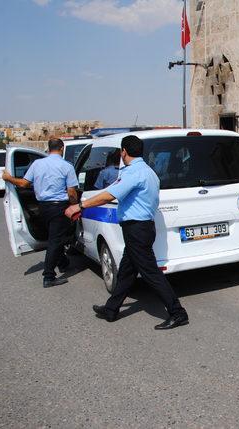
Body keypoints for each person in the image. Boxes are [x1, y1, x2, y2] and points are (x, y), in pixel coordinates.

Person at [65, 135, 189, 330]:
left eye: (121, 152)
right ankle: (111, 309)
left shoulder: (133, 173)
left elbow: (109, 195)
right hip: (142, 227)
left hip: (137, 229)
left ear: (124, 152)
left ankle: (177, 312)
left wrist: (80, 205)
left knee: (151, 273)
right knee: (126, 272)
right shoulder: (149, 172)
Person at [2, 138, 78, 288]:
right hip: (59, 207)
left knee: (55, 237)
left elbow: (24, 183)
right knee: (55, 240)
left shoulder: (37, 164)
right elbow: (71, 192)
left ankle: (63, 263)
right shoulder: (66, 166)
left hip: (43, 208)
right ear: (61, 149)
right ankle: (48, 276)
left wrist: (9, 178)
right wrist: (76, 206)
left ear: (48, 149)